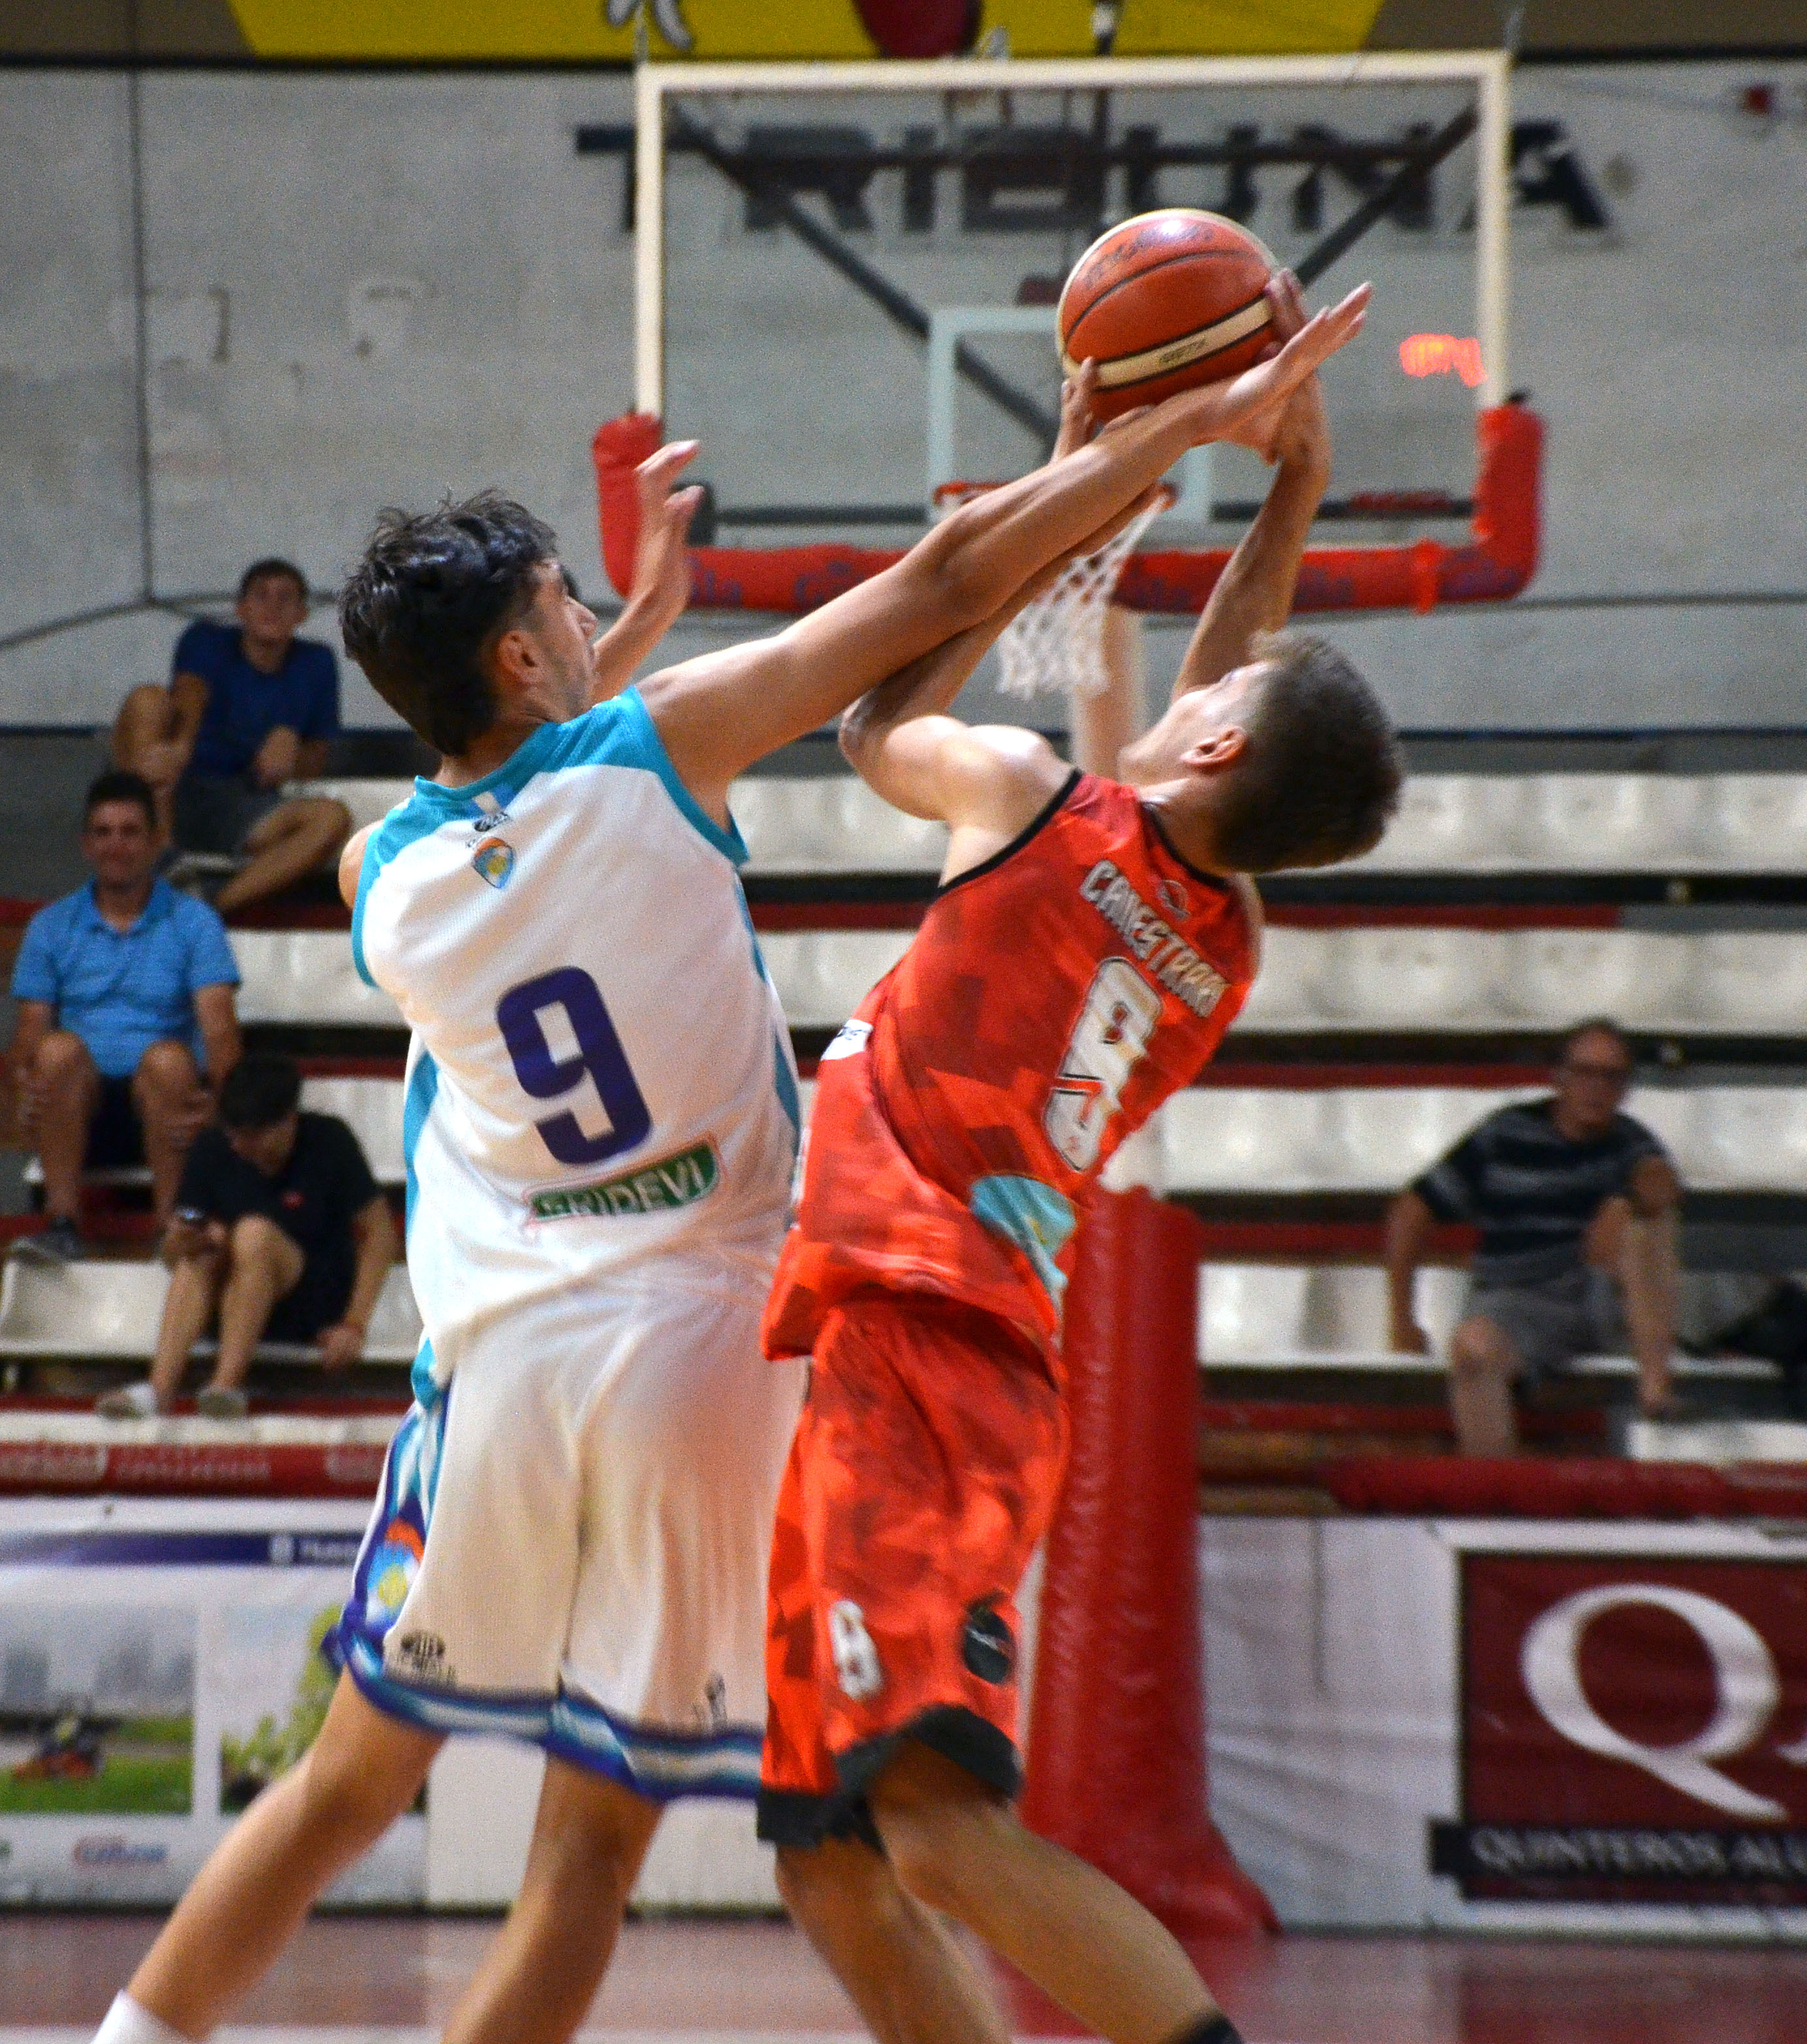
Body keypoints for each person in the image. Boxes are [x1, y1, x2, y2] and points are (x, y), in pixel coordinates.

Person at [87, 280, 1366, 2044]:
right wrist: (1180, 456)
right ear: (539, 657)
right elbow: (950, 611)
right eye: (567, 604)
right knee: (698, 1860)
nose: (594, 613)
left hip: (533, 1356)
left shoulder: (383, 882)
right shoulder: (1207, 937)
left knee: (354, 1786)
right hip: (737, 1357)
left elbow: (553, 789)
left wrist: (1109, 467)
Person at [757, 283, 1398, 2044]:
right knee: (829, 1850)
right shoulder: (1224, 931)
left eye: (1218, 690)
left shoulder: (1033, 795)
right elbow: (1227, 702)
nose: (1206, 671)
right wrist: (1288, 490)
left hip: (921, 1335)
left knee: (943, 1839)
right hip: (951, 1343)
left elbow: (865, 724)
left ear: (1207, 745)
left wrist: (1105, 465)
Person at [1385, 1017, 1682, 1453]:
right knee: (1471, 1349)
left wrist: (1626, 1203)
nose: (1596, 1088)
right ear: (1558, 1077)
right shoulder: (1503, 1134)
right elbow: (1411, 1211)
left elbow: (1661, 1183)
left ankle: (1655, 1388)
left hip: (1601, 1298)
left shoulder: (1628, 1140)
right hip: (1519, 1300)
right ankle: (1495, 1499)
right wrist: (1401, 1320)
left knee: (1647, 1227)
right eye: (1584, 1073)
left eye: (1611, 1076)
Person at [7, 770, 240, 1256]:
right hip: (78, 1109)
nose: (117, 845)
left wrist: (223, 1107)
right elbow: (29, 1038)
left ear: (156, 842)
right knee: (55, 1051)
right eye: (104, 832)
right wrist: (22, 1089)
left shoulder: (196, 922)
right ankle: (62, 1224)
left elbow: (219, 1029)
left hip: (167, 1105)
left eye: (131, 832)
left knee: (170, 1061)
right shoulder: (50, 926)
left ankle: (172, 1231)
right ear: (86, 844)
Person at [96, 1053, 395, 1421]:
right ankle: (158, 1390)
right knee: (204, 1251)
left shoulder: (329, 1141)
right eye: (232, 1133)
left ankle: (225, 1386)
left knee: (253, 1234)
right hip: (226, 1301)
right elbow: (174, 1257)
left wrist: (354, 1324)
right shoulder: (213, 1147)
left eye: (251, 1135)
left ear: (287, 1122)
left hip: (310, 1300)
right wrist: (180, 1242)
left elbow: (379, 1234)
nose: (238, 1145)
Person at [113, 559, 352, 913]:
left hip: (243, 802)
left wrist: (290, 757)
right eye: (261, 596)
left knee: (331, 818)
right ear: (241, 609)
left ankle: (208, 910)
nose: (272, 606)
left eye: (285, 598)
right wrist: (180, 747)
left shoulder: (315, 663)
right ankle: (158, 856)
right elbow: (190, 693)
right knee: (146, 700)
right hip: (174, 789)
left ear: (301, 614)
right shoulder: (207, 640)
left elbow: (316, 757)